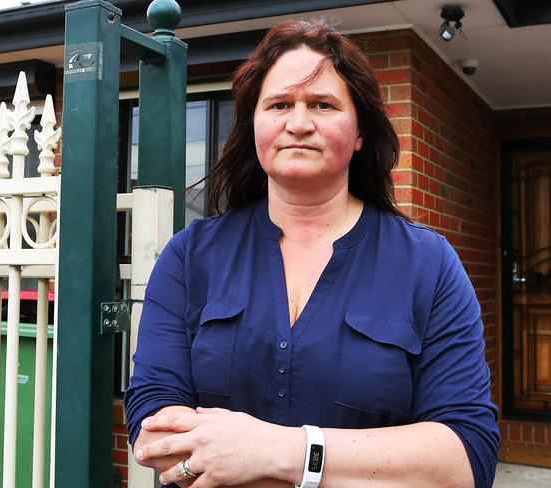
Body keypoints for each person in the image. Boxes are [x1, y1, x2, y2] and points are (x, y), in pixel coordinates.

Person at [125, 19, 499, 488]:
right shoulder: (190, 256)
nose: (298, 124)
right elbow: (154, 424)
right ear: (254, 126)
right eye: (279, 104)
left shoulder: (429, 264)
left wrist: (280, 453)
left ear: (360, 132)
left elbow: (466, 455)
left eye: (322, 105)